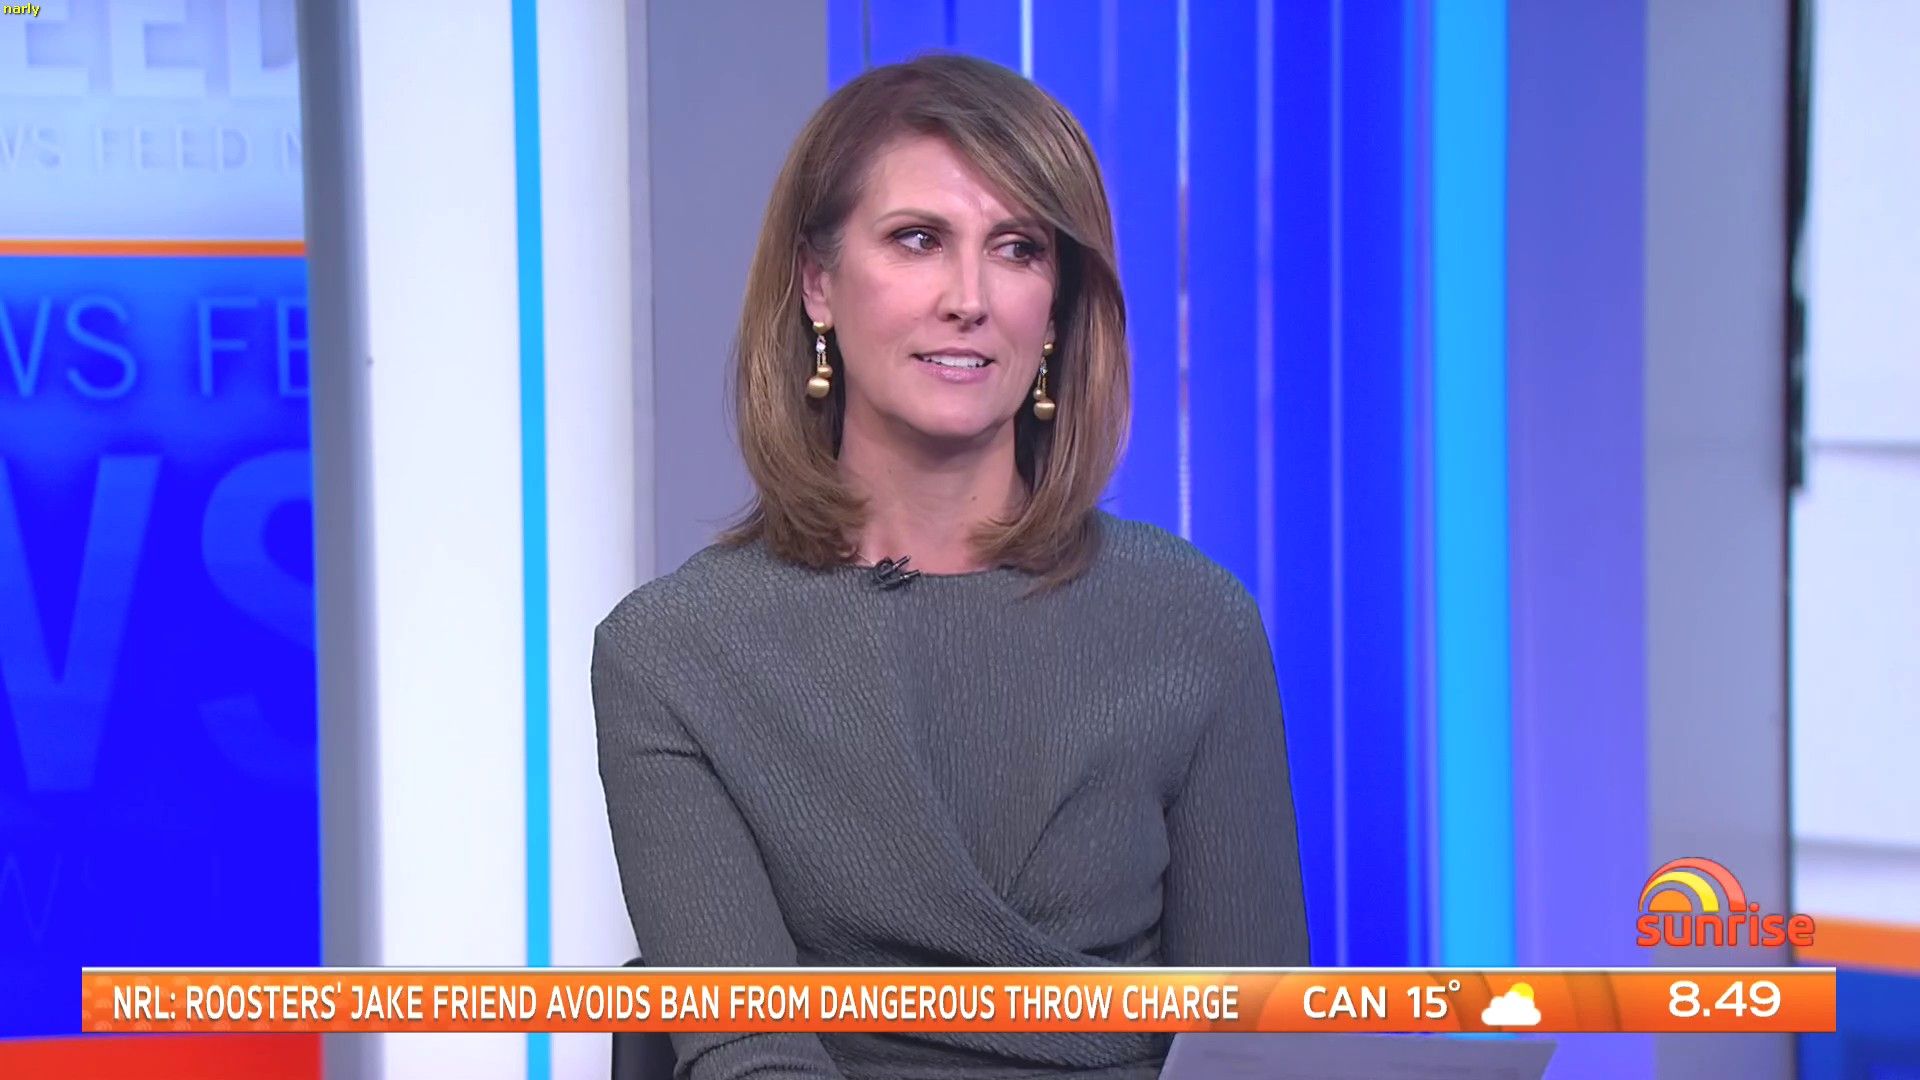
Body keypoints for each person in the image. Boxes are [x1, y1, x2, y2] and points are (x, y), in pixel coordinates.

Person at [592, 53, 1307, 1080]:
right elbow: (753, 1055)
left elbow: (1263, 1050)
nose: (969, 299)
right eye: (919, 240)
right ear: (817, 284)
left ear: (1054, 310)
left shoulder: (1193, 624)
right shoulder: (675, 655)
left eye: (1017, 249)